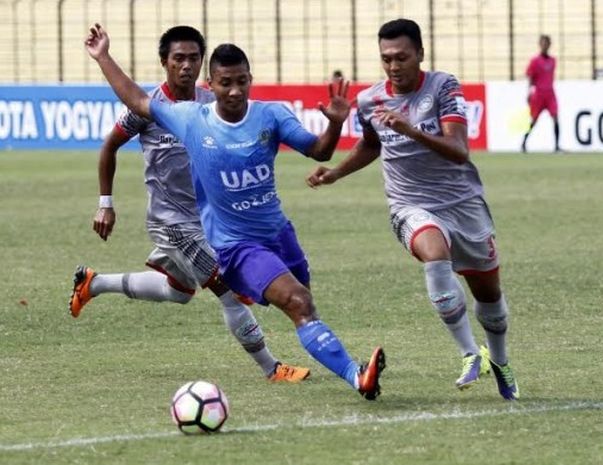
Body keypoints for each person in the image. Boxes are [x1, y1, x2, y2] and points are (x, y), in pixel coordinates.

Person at [84, 24, 386, 400]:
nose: (235, 91)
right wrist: (103, 57)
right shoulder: (190, 118)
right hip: (233, 245)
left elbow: (320, 152)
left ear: (251, 79)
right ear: (210, 84)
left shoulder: (271, 116)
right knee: (296, 302)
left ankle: (96, 283)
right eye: (226, 83)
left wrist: (337, 124)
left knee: (299, 303)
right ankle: (351, 377)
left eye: (242, 81)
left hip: (278, 234)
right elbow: (136, 100)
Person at [71, 25, 310, 383]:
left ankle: (93, 283)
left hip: (210, 222)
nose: (186, 66)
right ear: (164, 62)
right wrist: (105, 202)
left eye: (193, 58)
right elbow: (109, 147)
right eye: (178, 58)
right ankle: (272, 369)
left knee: (178, 292)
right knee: (228, 290)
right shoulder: (150, 109)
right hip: (172, 223)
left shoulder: (210, 105)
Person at [306, 18, 519, 400]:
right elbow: (372, 145)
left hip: (463, 204)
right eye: (386, 59)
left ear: (420, 54)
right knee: (434, 253)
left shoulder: (443, 87)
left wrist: (412, 131)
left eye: (401, 57)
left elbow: (459, 152)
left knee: (489, 297)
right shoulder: (370, 99)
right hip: (410, 204)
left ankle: (499, 360)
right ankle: (470, 353)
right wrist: (336, 173)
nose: (393, 66)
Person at [521, 34, 560, 153]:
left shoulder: (553, 61)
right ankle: (523, 143)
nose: (545, 46)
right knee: (533, 120)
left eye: (547, 43)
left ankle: (557, 146)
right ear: (540, 45)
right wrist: (529, 92)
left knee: (555, 117)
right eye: (543, 43)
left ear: (549, 45)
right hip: (539, 94)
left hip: (550, 94)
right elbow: (530, 77)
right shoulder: (535, 61)